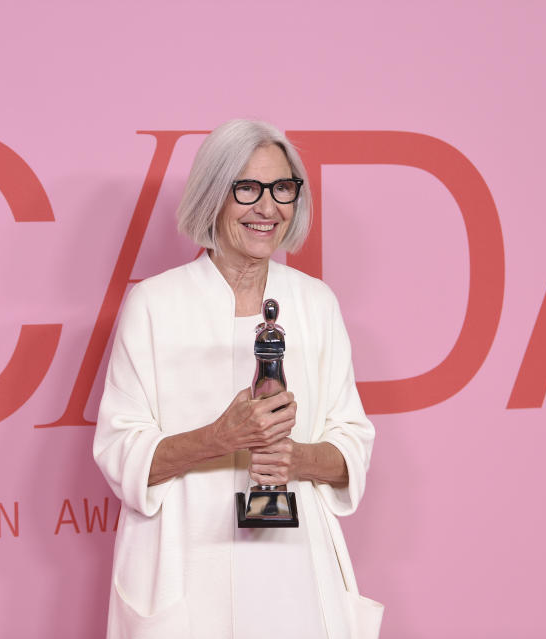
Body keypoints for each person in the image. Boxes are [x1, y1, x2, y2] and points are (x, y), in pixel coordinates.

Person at [93, 119, 382, 639]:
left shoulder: (315, 303)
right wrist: (219, 439)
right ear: (213, 196)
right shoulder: (154, 305)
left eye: (282, 189)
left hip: (295, 569)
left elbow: (352, 445)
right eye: (247, 189)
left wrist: (296, 458)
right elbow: (120, 452)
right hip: (186, 566)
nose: (267, 208)